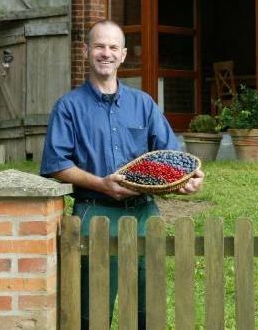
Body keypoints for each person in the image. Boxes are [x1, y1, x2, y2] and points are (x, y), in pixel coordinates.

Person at [40, 19, 205, 329]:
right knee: (92, 308)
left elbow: (172, 158)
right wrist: (100, 184)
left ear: (124, 54)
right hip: (94, 212)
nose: (106, 53)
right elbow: (55, 165)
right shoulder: (68, 107)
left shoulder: (144, 104)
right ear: (86, 51)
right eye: (100, 46)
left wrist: (189, 177)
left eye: (113, 47)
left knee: (149, 304)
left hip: (145, 214)